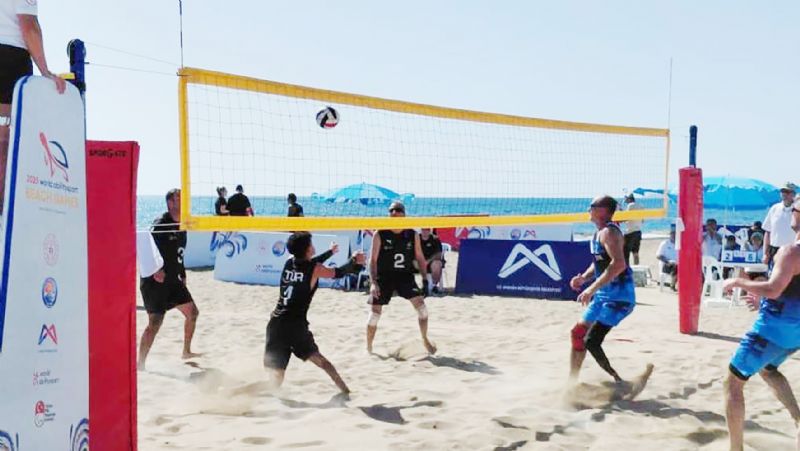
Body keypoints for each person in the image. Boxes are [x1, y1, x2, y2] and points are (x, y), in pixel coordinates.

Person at [722, 196, 800, 450]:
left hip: (773, 330)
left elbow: (774, 288)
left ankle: (736, 449)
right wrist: (765, 301)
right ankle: (798, 418)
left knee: (732, 382)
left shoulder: (790, 251)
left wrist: (737, 281)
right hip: (795, 331)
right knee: (768, 369)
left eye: (794, 207)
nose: (791, 209)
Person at [568, 195, 653, 395]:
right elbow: (600, 263)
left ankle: (621, 383)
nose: (588, 209)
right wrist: (584, 278)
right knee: (577, 333)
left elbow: (619, 264)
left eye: (591, 206)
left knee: (591, 341)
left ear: (602, 210)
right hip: (603, 296)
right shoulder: (599, 233)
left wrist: (591, 289)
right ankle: (571, 382)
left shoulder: (610, 232)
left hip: (619, 297)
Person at [264, 233, 365, 393]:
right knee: (324, 364)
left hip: (276, 324)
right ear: (307, 249)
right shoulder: (315, 269)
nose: (313, 246)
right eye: (310, 244)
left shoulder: (289, 262)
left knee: (274, 382)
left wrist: (330, 252)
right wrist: (354, 261)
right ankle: (347, 393)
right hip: (294, 327)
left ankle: (233, 393)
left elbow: (310, 264)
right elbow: (338, 272)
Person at [1, 0, 66, 211]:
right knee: (5, 141)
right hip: (8, 57)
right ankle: (4, 213)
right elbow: (28, 25)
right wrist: (45, 71)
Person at [138, 189, 201, 370]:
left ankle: (186, 351)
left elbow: (179, 253)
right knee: (155, 323)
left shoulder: (182, 225)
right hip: (154, 282)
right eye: (179, 199)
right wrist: (155, 269)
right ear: (170, 203)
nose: (183, 202)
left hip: (174, 280)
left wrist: (183, 274)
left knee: (193, 313)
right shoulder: (161, 224)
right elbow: (144, 245)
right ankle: (140, 364)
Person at [367, 201, 436, 355]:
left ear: (404, 214)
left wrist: (425, 280)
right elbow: (373, 260)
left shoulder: (412, 234)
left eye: (398, 210)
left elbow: (420, 257)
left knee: (423, 310)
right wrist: (373, 283)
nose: (395, 212)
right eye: (392, 210)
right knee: (374, 316)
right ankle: (369, 348)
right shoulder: (380, 233)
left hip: (405, 276)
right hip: (384, 276)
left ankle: (424, 338)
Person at [763, 182, 798, 266]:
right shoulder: (774, 208)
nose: (784, 194)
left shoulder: (797, 210)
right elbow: (767, 232)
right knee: (773, 273)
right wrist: (765, 253)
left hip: (792, 251)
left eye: (787, 192)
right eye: (782, 191)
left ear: (793, 194)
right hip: (774, 250)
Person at [419, 228, 444, 295]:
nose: (425, 231)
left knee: (437, 263)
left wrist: (428, 261)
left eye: (427, 230)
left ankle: (433, 286)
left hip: (431, 261)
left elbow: (438, 254)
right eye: (423, 229)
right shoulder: (417, 238)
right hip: (419, 261)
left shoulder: (435, 239)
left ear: (429, 231)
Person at [622, 194, 643, 266]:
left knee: (625, 253)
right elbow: (642, 220)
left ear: (629, 199)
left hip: (630, 232)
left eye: (626, 200)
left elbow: (626, 218)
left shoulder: (630, 205)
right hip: (638, 231)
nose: (626, 201)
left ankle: (627, 268)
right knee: (635, 252)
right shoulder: (640, 206)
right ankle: (637, 266)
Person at [656, 226, 678, 290]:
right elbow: (658, 256)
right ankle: (672, 285)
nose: (674, 235)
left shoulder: (679, 244)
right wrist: (667, 261)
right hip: (666, 264)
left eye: (675, 233)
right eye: (673, 233)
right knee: (675, 267)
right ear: (670, 234)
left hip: (677, 264)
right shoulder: (665, 243)